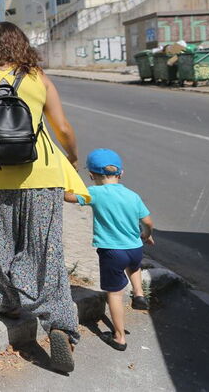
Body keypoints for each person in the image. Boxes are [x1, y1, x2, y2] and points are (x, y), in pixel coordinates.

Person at [0, 22, 91, 374]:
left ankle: (6, 303)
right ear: (23, 47)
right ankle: (58, 321)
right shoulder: (38, 77)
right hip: (40, 172)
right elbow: (64, 128)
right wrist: (70, 157)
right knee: (47, 248)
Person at [65, 148, 153, 352]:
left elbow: (69, 197)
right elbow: (148, 221)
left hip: (112, 252)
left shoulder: (93, 193)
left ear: (91, 175)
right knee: (135, 266)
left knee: (114, 294)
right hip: (135, 248)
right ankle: (139, 294)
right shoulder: (133, 195)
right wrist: (147, 234)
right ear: (121, 173)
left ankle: (119, 337)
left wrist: (64, 185)